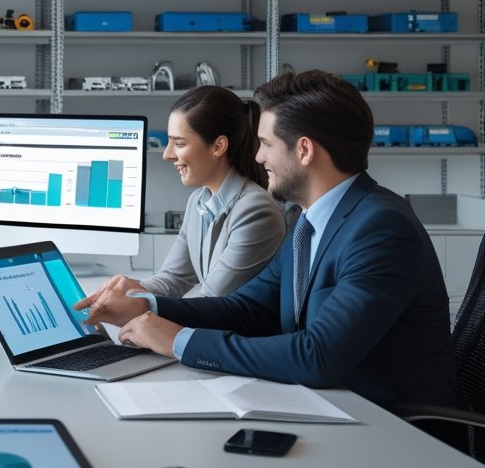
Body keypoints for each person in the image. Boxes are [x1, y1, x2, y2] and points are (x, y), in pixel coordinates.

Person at [78, 70, 457, 409]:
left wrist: (179, 341)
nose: (257, 157)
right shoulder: (308, 223)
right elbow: (247, 308)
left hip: (390, 427)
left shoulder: (380, 229)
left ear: (304, 150)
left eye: (266, 144)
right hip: (327, 405)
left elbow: (318, 355)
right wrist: (148, 306)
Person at [85, 86, 285, 308]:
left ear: (218, 146)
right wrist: (126, 291)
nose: (167, 154)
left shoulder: (256, 210)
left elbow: (211, 301)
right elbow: (174, 278)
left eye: (179, 143)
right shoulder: (198, 201)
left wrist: (135, 307)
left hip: (234, 337)